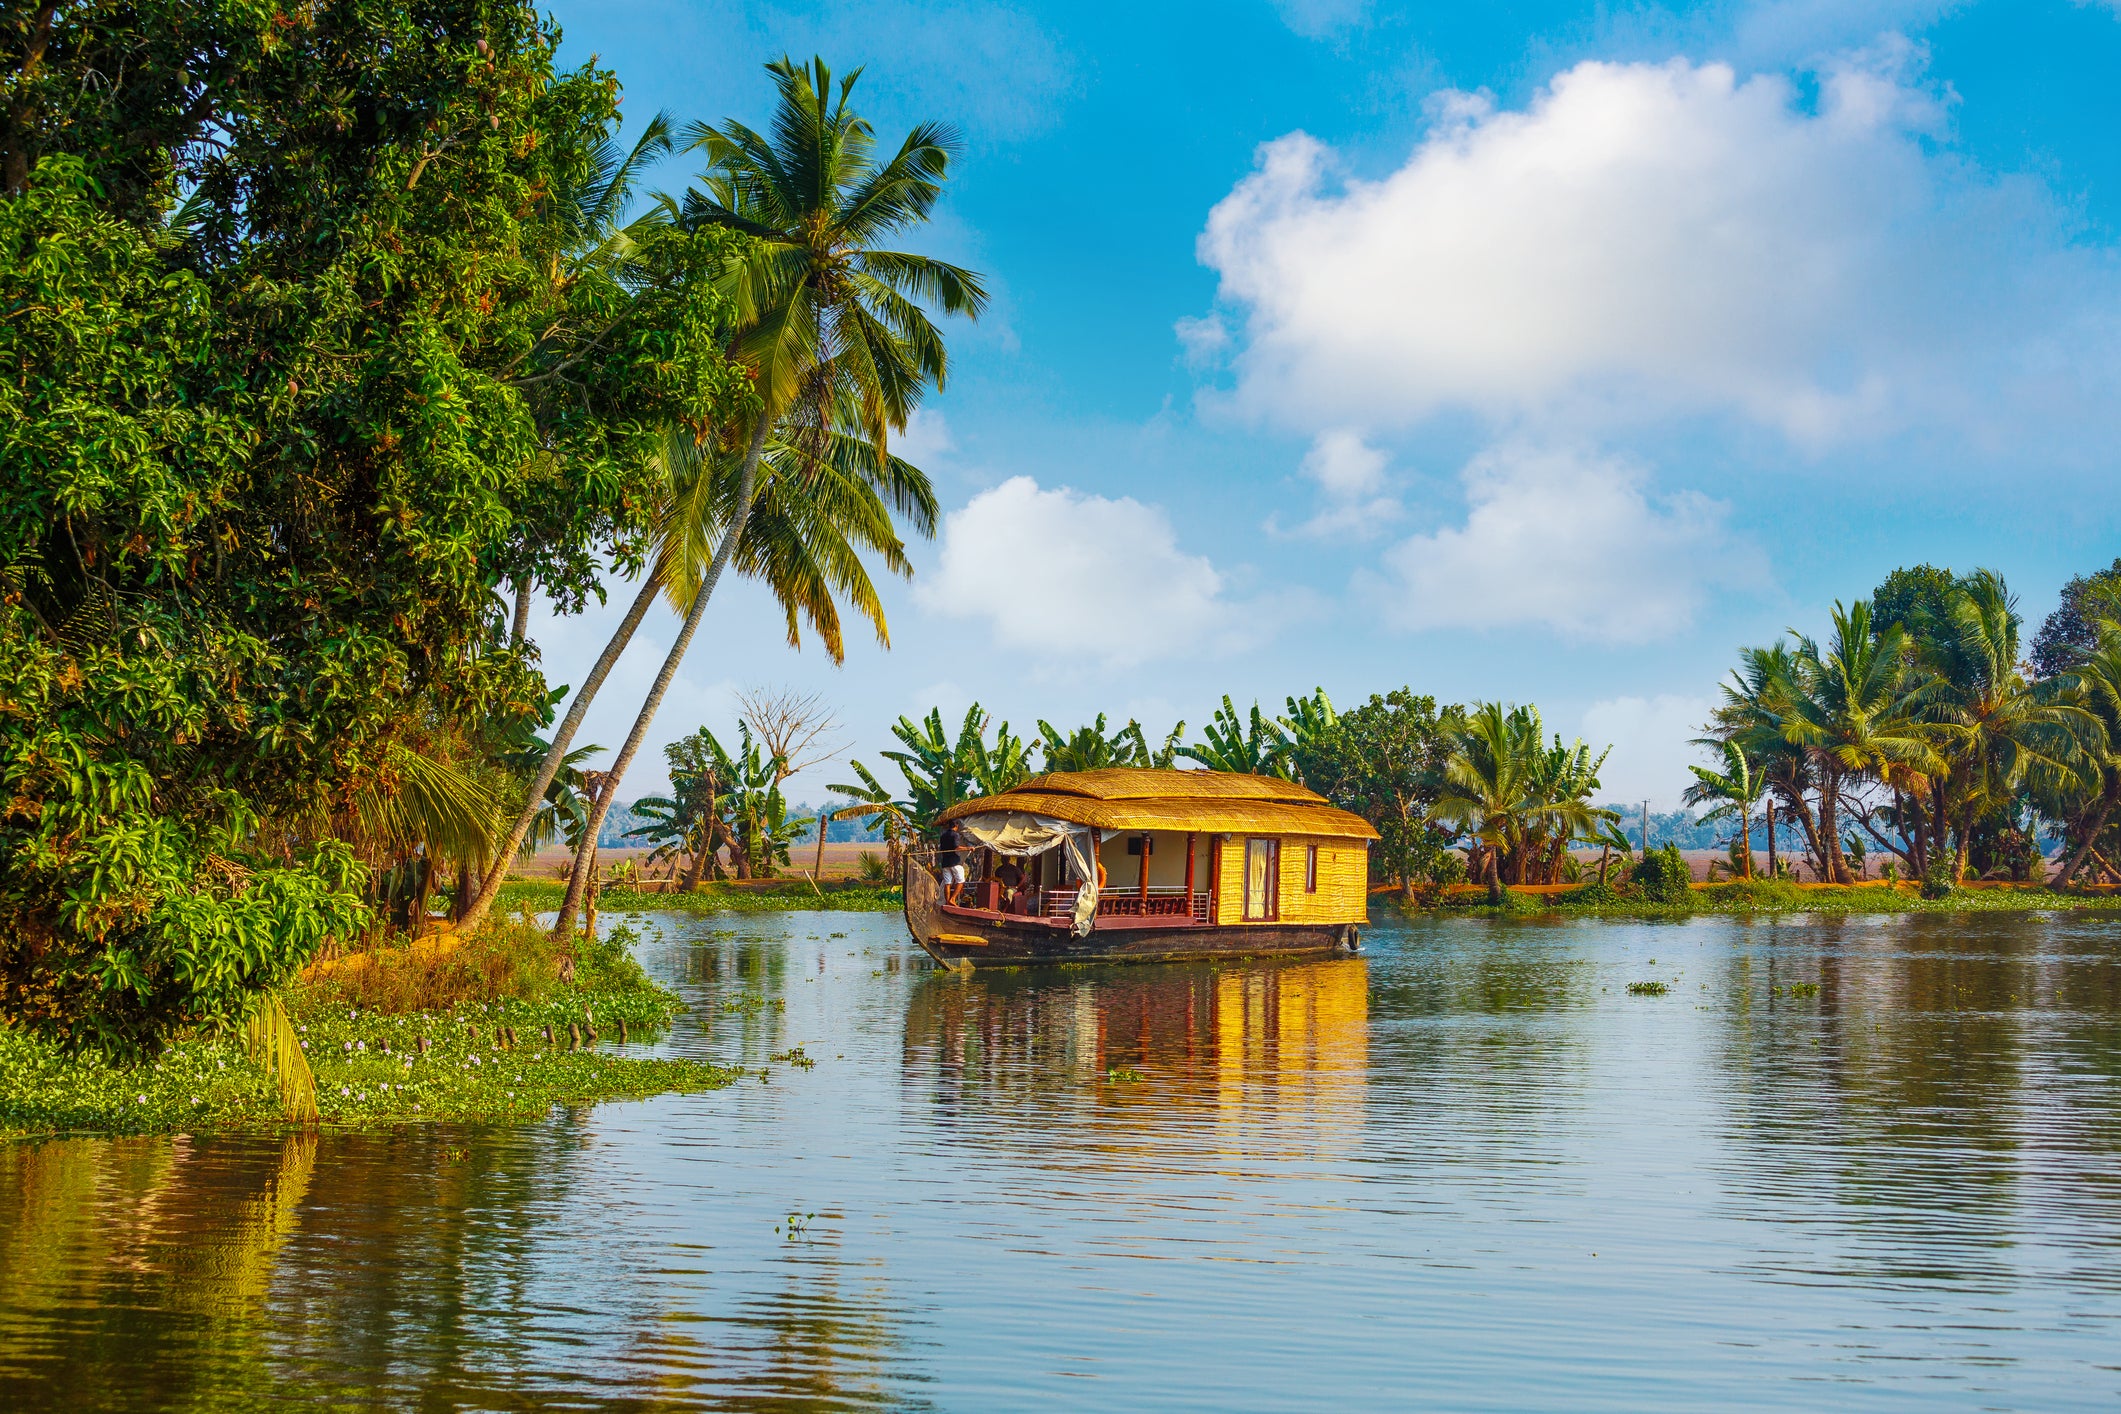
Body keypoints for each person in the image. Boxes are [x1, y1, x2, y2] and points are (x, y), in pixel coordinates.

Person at [938, 822, 965, 904]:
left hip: (945, 862)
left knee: (947, 882)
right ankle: (952, 899)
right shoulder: (955, 835)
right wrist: (968, 848)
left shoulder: (943, 836)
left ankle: (947, 902)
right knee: (960, 881)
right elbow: (956, 847)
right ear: (956, 826)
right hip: (954, 862)